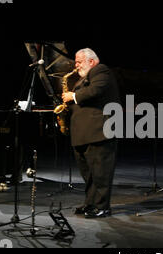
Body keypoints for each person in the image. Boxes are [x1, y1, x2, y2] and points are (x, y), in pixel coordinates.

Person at [61, 48, 120, 218]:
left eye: (79, 61)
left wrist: (73, 96)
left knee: (101, 174)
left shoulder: (101, 71)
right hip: (83, 133)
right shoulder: (82, 79)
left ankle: (103, 207)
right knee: (89, 175)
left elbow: (96, 91)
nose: (76, 65)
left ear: (92, 61)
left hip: (98, 132)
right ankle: (90, 204)